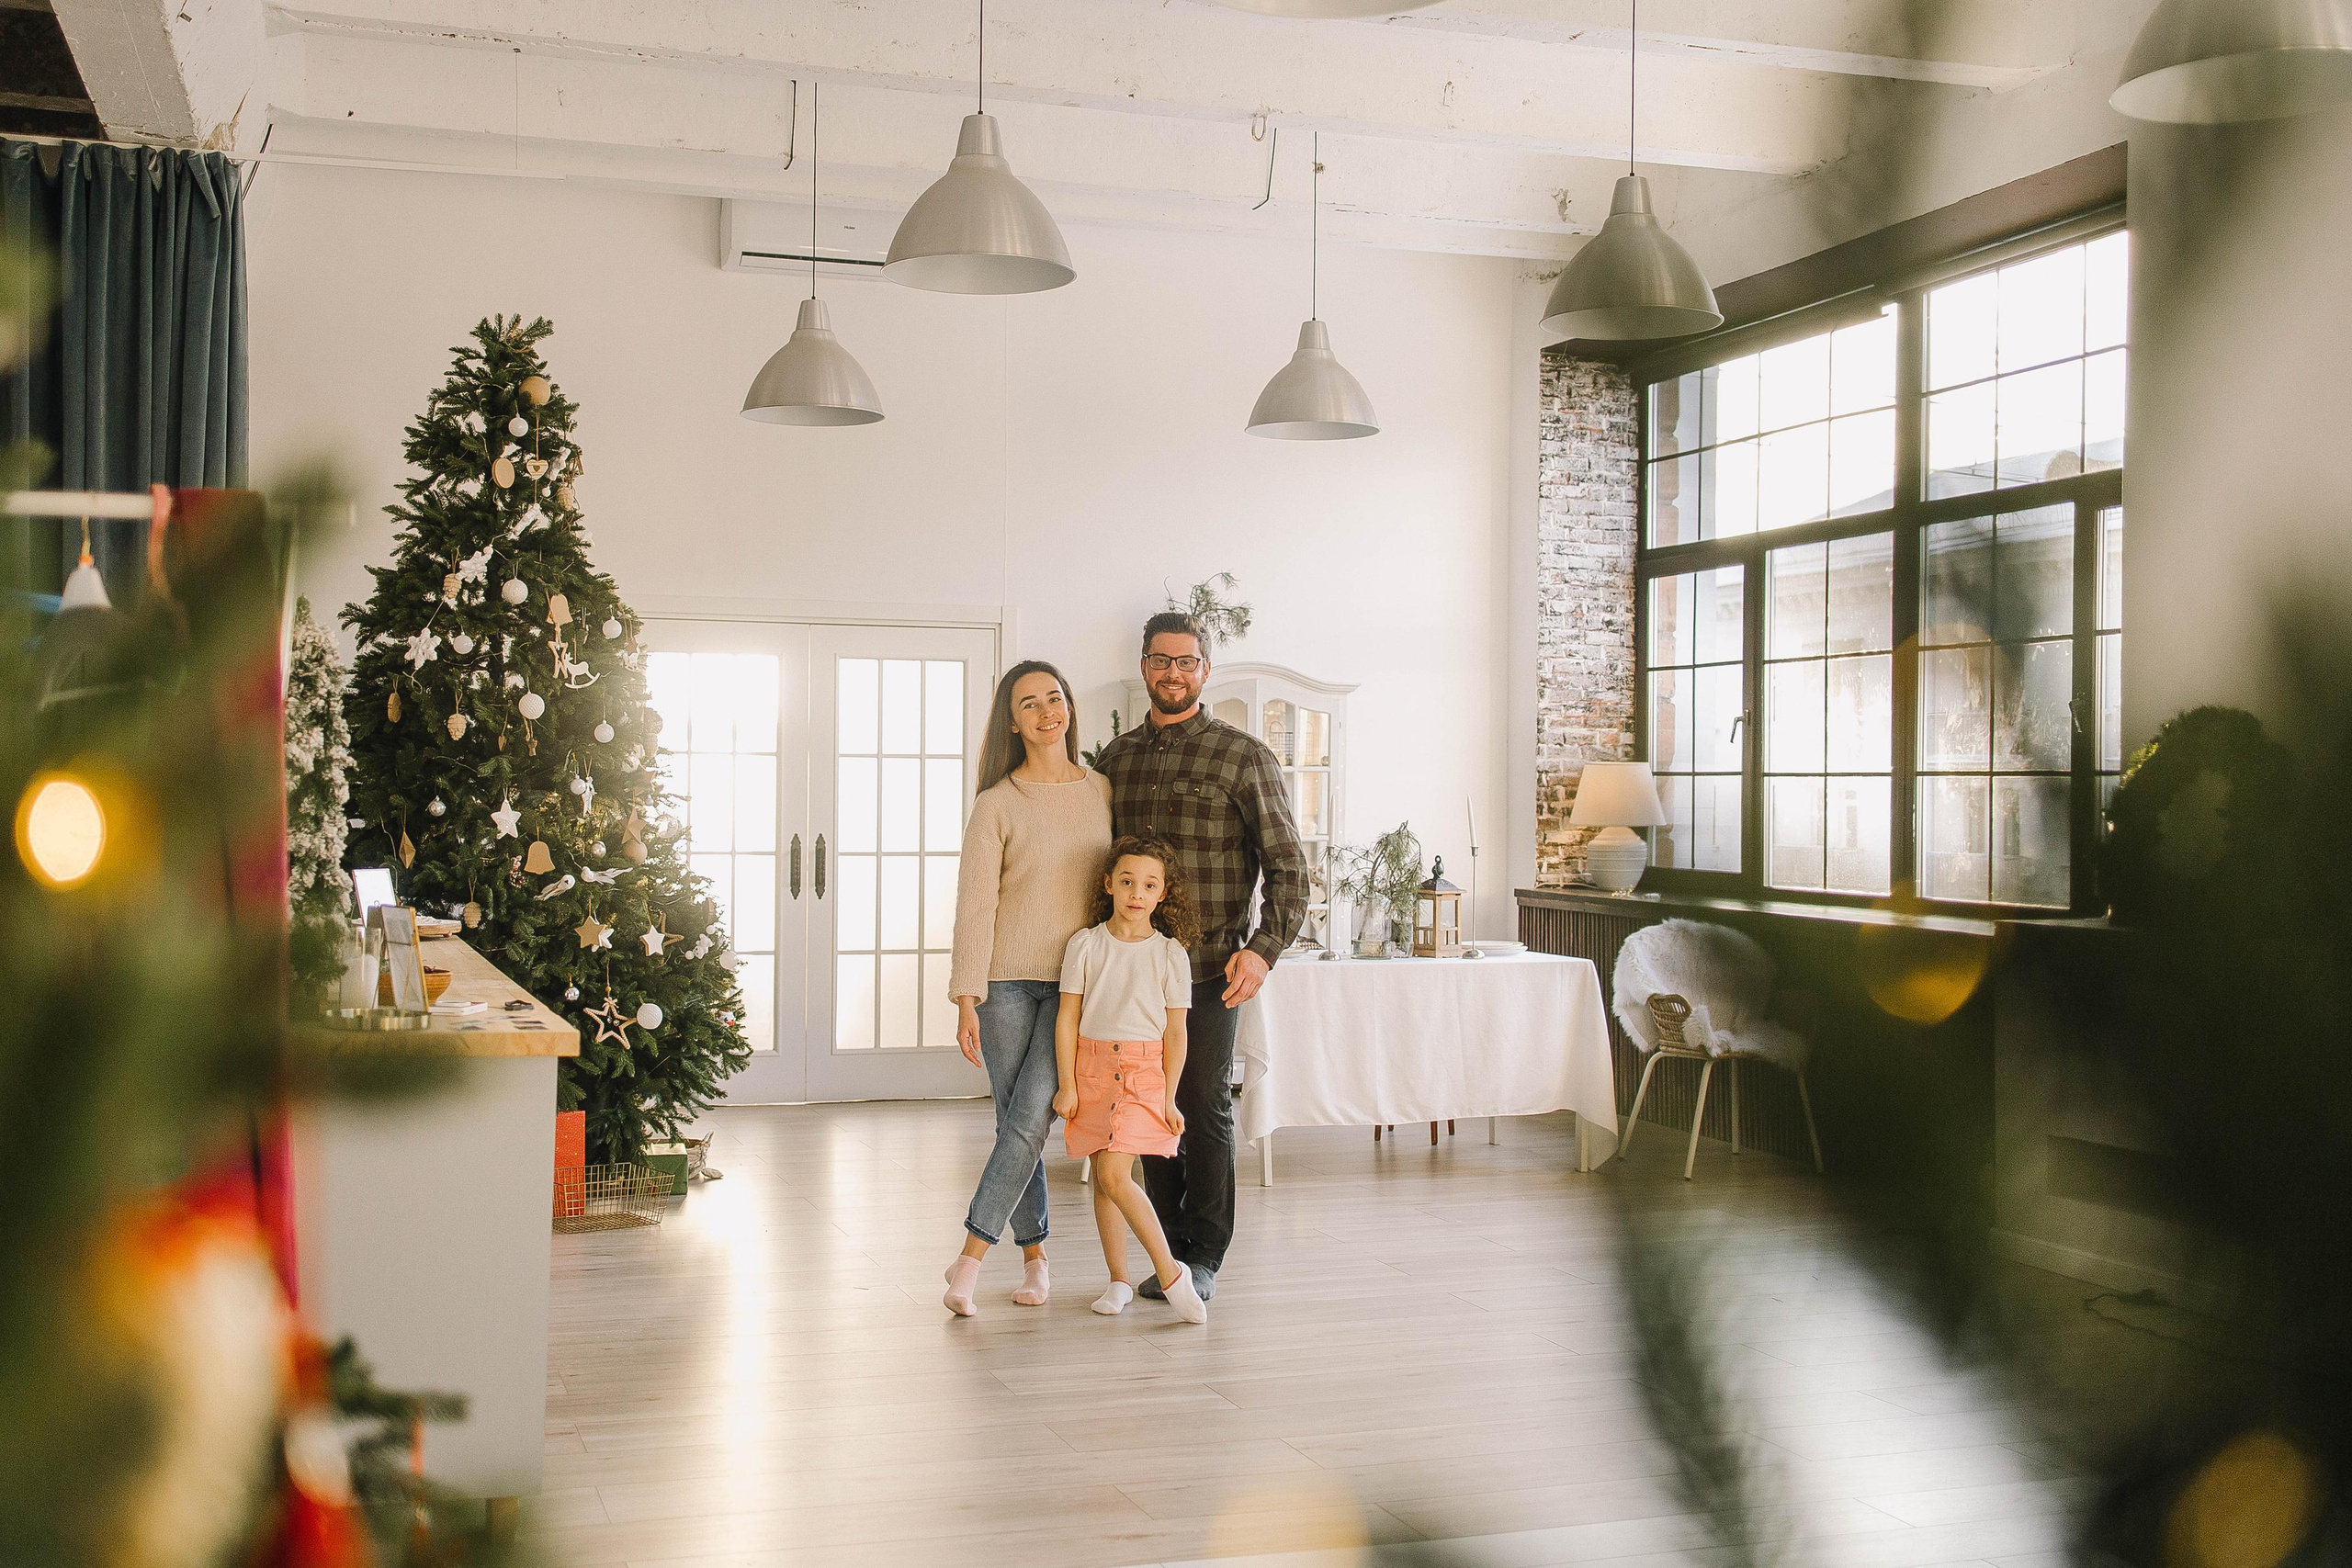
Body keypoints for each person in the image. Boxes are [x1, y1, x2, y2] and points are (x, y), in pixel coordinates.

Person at [1092, 612, 1308, 1303]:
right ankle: (1167, 1250)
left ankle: (1205, 1252)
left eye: (1187, 661)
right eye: (1161, 660)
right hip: (1129, 975)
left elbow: (1290, 869)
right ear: (1145, 666)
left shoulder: (1244, 757)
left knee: (1202, 1104)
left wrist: (1263, 951)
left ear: (1205, 670)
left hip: (1212, 970)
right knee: (1142, 1108)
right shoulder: (1114, 761)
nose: (1173, 673)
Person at [942, 660, 1112, 1318]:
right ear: (1013, 722)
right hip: (1006, 983)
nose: (1047, 711)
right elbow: (975, 904)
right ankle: (1036, 1259)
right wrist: (965, 996)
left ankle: (969, 1256)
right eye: (1030, 704)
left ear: (1068, 705)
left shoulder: (1102, 789)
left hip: (1077, 984)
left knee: (1031, 1115)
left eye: (1055, 698)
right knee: (1017, 1120)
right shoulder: (997, 802)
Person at [1053, 837, 1208, 1323]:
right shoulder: (1085, 944)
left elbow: (1177, 1031)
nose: (1136, 893)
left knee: (1115, 1175)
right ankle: (1118, 1280)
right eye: (1126, 882)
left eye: (1148, 885)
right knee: (1105, 1179)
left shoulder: (1170, 955)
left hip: (1143, 1073)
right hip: (1093, 1069)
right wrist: (1068, 1084)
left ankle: (1170, 1273)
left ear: (1162, 895)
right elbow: (1067, 1019)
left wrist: (1169, 1096)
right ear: (1109, 886)